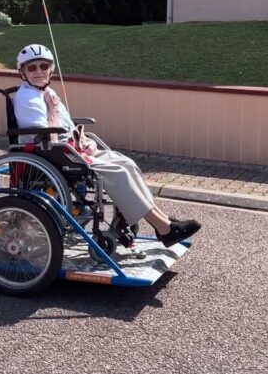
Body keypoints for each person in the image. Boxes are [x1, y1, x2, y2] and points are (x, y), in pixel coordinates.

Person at [12, 44, 202, 248]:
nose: (39, 71)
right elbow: (49, 138)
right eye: (32, 68)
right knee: (117, 173)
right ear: (22, 72)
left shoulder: (47, 92)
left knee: (126, 164)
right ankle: (165, 229)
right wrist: (54, 111)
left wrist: (83, 140)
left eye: (43, 66)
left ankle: (163, 222)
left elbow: (66, 128)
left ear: (51, 69)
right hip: (50, 154)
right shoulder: (27, 98)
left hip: (69, 150)